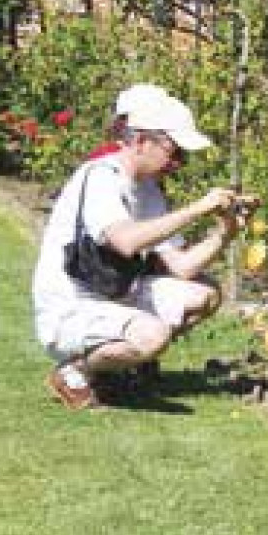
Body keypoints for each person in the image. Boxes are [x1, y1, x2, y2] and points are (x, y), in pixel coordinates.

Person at [32, 85, 244, 410]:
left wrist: (226, 231)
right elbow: (126, 241)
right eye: (175, 152)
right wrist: (196, 209)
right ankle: (74, 372)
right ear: (142, 141)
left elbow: (182, 268)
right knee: (153, 336)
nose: (179, 163)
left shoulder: (148, 190)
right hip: (73, 306)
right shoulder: (101, 178)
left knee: (205, 293)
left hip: (116, 294)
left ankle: (121, 367)